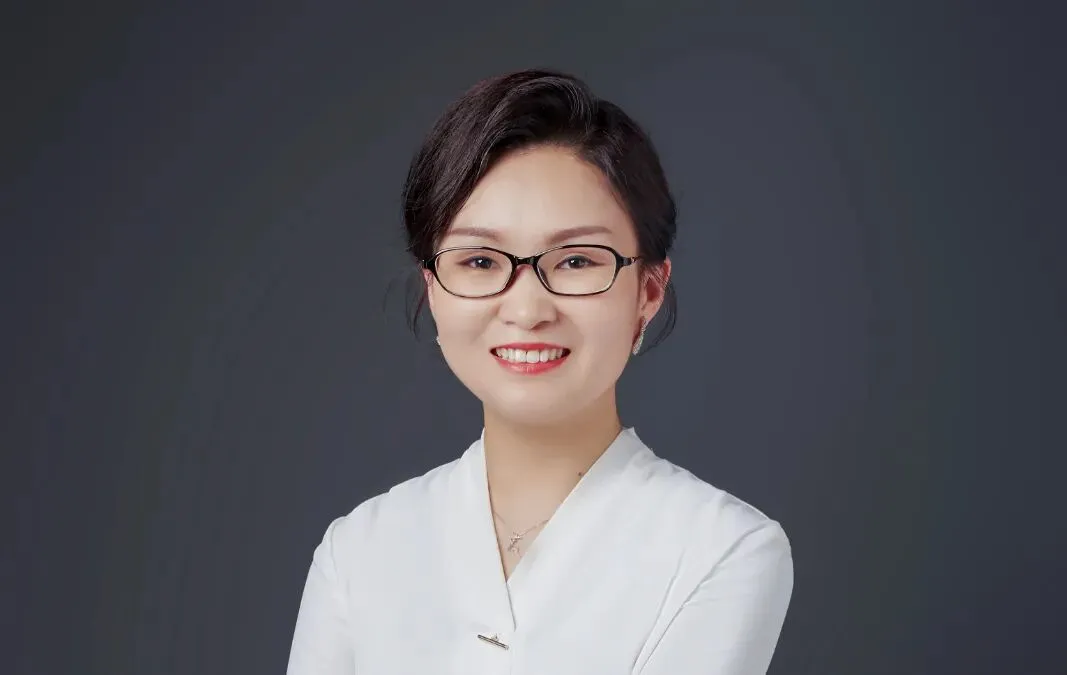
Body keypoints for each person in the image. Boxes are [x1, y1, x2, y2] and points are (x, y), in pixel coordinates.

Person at [286, 68, 793, 675]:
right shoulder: (358, 549)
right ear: (432, 289)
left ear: (649, 291)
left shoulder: (723, 550)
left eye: (576, 260)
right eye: (480, 261)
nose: (527, 310)